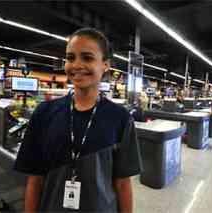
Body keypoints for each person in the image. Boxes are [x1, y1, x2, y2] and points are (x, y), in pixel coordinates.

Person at [14, 28, 141, 213]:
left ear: (105, 64)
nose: (77, 65)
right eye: (70, 58)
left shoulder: (120, 118)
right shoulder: (44, 113)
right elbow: (35, 180)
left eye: (87, 58)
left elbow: (122, 184)